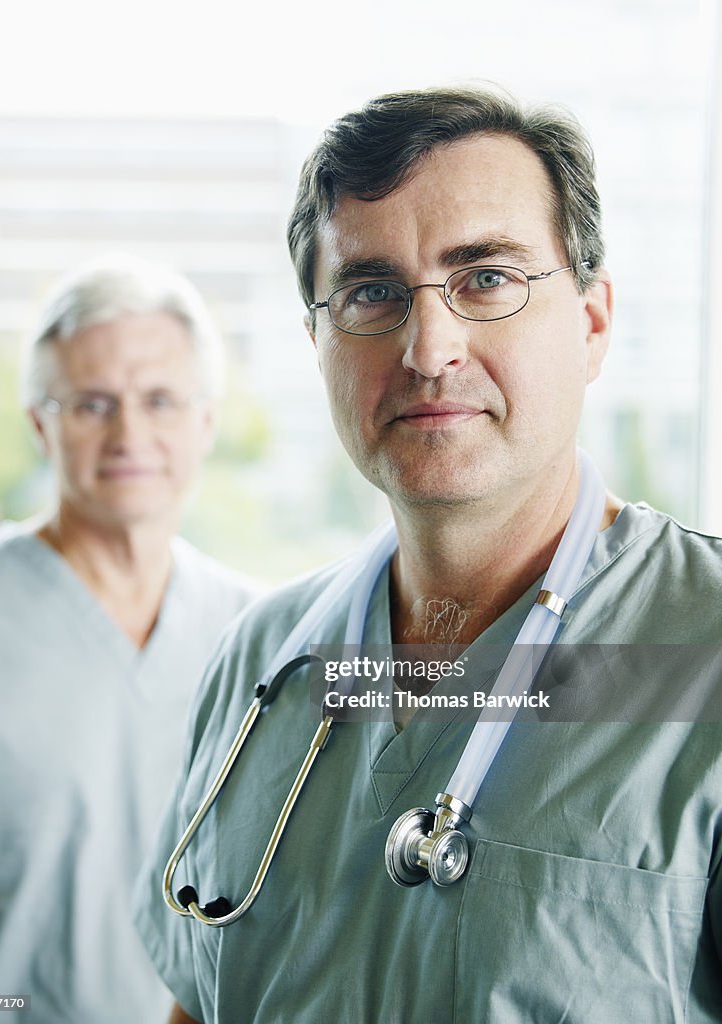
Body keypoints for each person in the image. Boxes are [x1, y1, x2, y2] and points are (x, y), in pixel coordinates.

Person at [134, 88, 722, 1023]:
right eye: (371, 292)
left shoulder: (702, 649)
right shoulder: (266, 659)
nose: (427, 348)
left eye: (485, 278)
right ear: (317, 342)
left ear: (592, 322)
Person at [0, 255, 259, 1023]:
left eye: (160, 400)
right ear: (40, 424)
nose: (129, 434)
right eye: (92, 404)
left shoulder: (259, 635)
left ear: (205, 420)